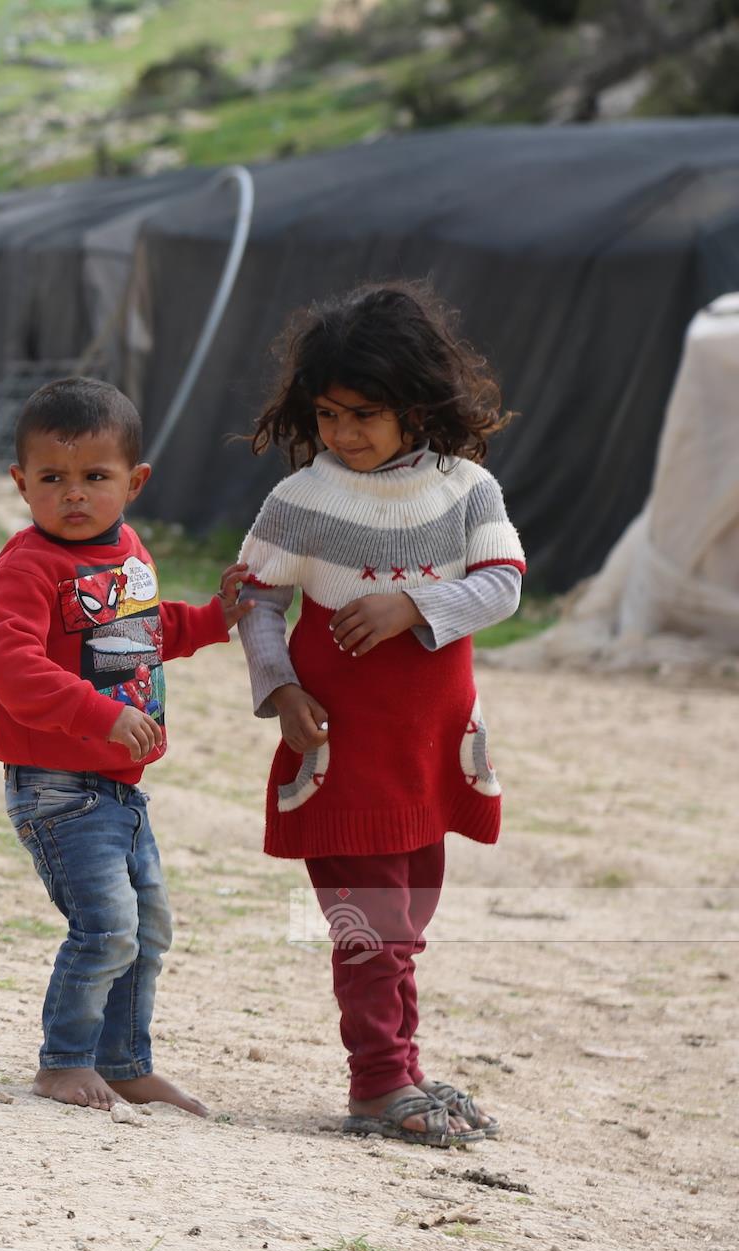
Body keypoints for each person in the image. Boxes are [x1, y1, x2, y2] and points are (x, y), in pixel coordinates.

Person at [236, 281, 525, 1148]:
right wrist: (280, 689)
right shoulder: (304, 501)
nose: (343, 433)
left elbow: (504, 585)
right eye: (328, 413)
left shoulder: (466, 490)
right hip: (341, 749)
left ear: (418, 406)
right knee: (370, 925)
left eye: (365, 414)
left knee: (407, 919)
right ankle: (376, 1084)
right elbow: (255, 599)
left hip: (428, 751)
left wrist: (413, 606)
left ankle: (400, 1067)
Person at [0, 376, 253, 1117]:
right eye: (52, 478)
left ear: (135, 480)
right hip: (57, 785)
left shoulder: (126, 550)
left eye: (95, 477)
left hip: (120, 788)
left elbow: (143, 629)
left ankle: (124, 1061)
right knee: (106, 926)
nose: (73, 494)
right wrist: (97, 713)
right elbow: (12, 666)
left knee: (148, 928)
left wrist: (212, 619)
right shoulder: (26, 570)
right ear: (20, 483)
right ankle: (63, 1060)